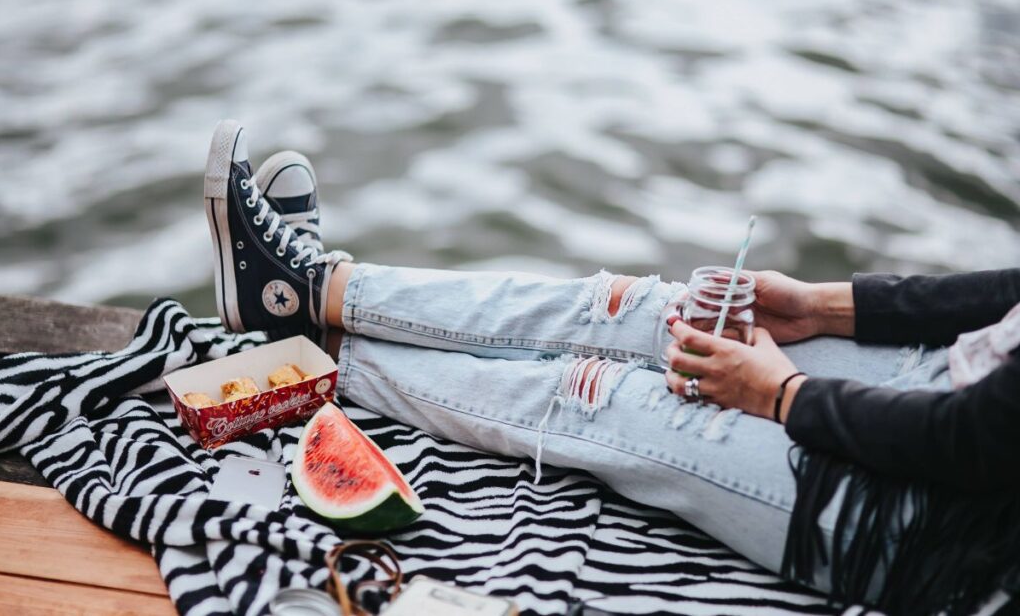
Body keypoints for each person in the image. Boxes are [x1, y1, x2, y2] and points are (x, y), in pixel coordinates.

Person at [203, 120, 1020, 615]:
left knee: (607, 397)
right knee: (645, 310)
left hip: (934, 533)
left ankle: (322, 355)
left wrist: (781, 393)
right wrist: (822, 306)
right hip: (940, 382)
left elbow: (968, 442)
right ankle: (309, 288)